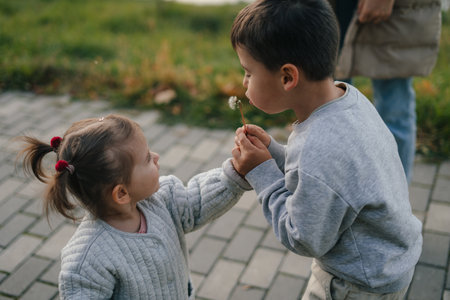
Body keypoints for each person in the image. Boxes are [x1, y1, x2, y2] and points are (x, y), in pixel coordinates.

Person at [229, 0, 422, 299]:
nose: (244, 83)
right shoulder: (348, 99)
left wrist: (262, 173)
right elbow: (326, 177)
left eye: (249, 73)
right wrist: (275, 153)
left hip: (355, 284)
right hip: (385, 262)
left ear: (287, 77)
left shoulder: (320, 147)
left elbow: (303, 238)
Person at [17, 114, 251, 299]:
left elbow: (196, 201)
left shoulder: (161, 200)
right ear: (121, 193)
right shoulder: (87, 260)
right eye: (148, 158)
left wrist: (235, 174)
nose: (157, 157)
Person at [331, 0, 442, 183]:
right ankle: (333, 197)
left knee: (394, 109)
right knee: (326, 107)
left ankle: (395, 207)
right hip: (331, 7)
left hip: (394, 9)